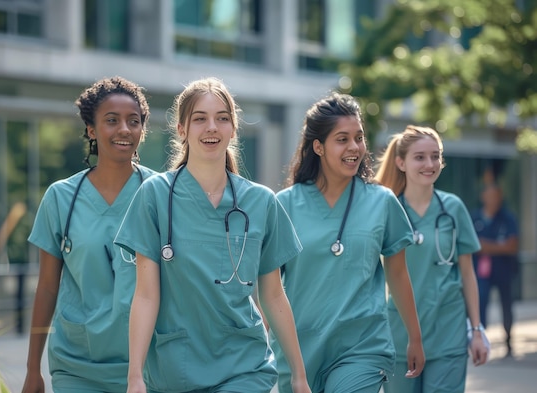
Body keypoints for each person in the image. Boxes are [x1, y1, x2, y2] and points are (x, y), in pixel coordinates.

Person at [114, 77, 311, 393]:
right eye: (200, 119)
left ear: (233, 129)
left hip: (245, 365)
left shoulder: (261, 203)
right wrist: (134, 375)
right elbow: (146, 294)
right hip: (175, 368)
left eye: (222, 118)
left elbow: (273, 295)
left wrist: (299, 377)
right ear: (181, 129)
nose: (212, 128)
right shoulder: (154, 197)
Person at [272, 92, 425, 393]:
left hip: (362, 347)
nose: (354, 147)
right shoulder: (284, 205)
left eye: (359, 137)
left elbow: (397, 273)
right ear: (318, 147)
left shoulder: (382, 202)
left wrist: (415, 338)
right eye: (342, 139)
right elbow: (271, 288)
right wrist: (255, 349)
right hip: (299, 351)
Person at [22, 76, 156, 393]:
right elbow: (47, 288)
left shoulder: (161, 195)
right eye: (112, 120)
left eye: (133, 121)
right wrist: (32, 370)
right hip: (77, 366)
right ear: (92, 130)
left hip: (147, 367)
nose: (124, 129)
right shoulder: (60, 198)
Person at [376, 125, 488, 392]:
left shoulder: (453, 208)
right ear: (401, 162)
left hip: (447, 332)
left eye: (435, 156)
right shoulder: (387, 210)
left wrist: (476, 329)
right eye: (420, 157)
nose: (430, 164)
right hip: (399, 335)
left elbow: (467, 274)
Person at [471, 179, 519, 358]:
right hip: (481, 272)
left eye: (497, 196)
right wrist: (498, 245)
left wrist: (487, 246)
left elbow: (512, 246)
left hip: (504, 271)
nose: (493, 200)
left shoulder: (507, 218)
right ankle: (479, 339)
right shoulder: (475, 217)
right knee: (480, 303)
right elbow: (472, 245)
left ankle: (508, 340)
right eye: (490, 196)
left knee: (507, 305)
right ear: (483, 197)